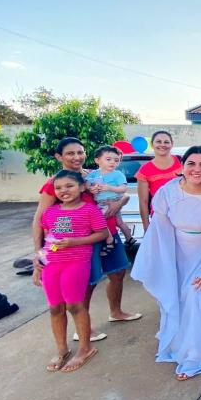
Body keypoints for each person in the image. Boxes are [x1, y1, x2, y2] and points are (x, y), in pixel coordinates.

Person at [132, 146, 201, 380]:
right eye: (191, 163)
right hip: (177, 255)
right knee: (178, 300)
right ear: (182, 166)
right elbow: (159, 229)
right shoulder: (167, 192)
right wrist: (162, 263)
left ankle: (195, 355)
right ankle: (178, 343)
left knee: (197, 299)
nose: (197, 169)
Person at [32, 137, 140, 343]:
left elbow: (122, 195)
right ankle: (84, 329)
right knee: (87, 283)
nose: (77, 157)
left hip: (108, 232)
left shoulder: (93, 176)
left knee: (118, 273)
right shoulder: (55, 184)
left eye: (80, 152)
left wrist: (118, 205)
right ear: (59, 157)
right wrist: (39, 253)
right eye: (70, 153)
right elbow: (39, 220)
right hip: (82, 242)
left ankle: (116, 312)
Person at [34, 170, 108, 373]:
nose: (63, 191)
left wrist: (75, 242)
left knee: (75, 306)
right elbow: (48, 240)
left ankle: (85, 348)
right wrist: (38, 261)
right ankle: (62, 350)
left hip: (76, 263)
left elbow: (102, 233)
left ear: (82, 187)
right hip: (51, 265)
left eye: (69, 186)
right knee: (55, 308)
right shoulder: (50, 212)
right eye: (59, 188)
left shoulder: (90, 210)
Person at [86, 145, 131, 255]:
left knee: (99, 219)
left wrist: (110, 188)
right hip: (101, 202)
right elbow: (87, 184)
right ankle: (129, 238)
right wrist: (91, 189)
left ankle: (110, 239)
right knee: (119, 222)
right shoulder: (93, 174)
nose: (112, 162)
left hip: (112, 200)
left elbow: (123, 188)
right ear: (97, 160)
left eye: (116, 160)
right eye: (108, 159)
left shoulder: (118, 174)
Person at [138, 130, 182, 232]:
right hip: (160, 218)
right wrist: (146, 227)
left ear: (172, 144)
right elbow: (143, 202)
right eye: (158, 141)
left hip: (184, 215)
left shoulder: (182, 162)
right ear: (152, 144)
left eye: (166, 142)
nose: (162, 145)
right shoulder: (145, 170)